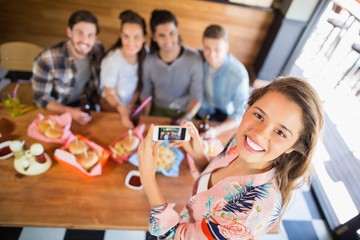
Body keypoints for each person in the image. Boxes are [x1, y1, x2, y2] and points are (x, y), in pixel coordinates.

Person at [138, 77, 324, 239]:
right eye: (259, 115)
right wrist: (199, 156)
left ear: (293, 146)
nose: (259, 134)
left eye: (280, 132)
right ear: (247, 108)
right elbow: (217, 186)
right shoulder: (240, 143)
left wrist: (147, 179)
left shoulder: (252, 211)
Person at [31, 10, 105, 125]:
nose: (85, 40)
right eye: (79, 33)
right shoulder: (47, 60)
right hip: (59, 107)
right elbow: (40, 98)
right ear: (69, 32)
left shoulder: (98, 49)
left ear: (96, 38)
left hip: (87, 103)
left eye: (90, 35)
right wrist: (69, 111)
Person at [140, 9, 203, 123]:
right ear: (154, 37)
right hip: (158, 111)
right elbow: (146, 94)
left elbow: (196, 97)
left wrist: (187, 117)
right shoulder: (149, 61)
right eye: (162, 35)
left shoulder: (194, 60)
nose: (168, 40)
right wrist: (144, 118)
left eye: (172, 33)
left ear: (178, 31)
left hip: (185, 112)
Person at [198, 24, 250, 139]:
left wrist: (217, 130)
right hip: (201, 111)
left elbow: (240, 113)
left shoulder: (239, 75)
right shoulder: (198, 59)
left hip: (224, 118)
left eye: (217, 49)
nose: (211, 54)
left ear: (226, 47)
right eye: (207, 48)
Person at [100, 10, 147, 129]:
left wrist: (132, 102)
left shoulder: (145, 54)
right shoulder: (112, 60)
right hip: (110, 105)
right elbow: (109, 92)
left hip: (130, 104)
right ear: (121, 36)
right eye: (126, 36)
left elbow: (139, 83)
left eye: (136, 37)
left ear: (144, 38)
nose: (131, 42)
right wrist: (122, 109)